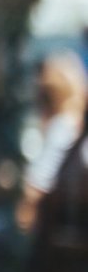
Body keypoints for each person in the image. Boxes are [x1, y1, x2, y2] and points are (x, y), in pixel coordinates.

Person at [17, 50, 88, 232]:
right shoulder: (74, 124)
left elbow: (39, 182)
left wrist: (26, 208)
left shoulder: (62, 126)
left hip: (62, 225)